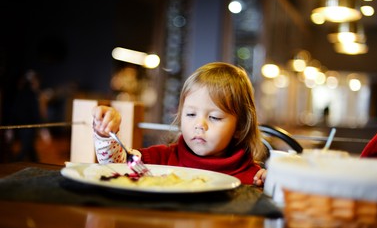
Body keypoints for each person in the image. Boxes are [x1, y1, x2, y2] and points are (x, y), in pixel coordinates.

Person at [92, 62, 267, 186]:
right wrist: (106, 134)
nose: (200, 125)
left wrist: (273, 184)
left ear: (240, 127)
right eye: (191, 114)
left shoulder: (254, 177)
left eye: (214, 117)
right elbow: (115, 165)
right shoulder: (161, 159)